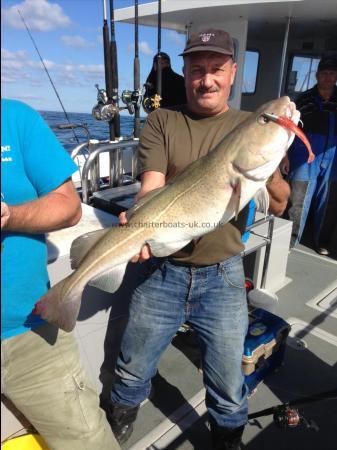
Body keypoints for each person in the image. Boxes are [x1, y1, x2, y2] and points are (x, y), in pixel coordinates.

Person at [107, 29, 290, 450]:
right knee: (133, 366)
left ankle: (227, 437)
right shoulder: (162, 121)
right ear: (185, 73)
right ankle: (119, 420)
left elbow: (278, 205)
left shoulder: (252, 125)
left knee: (228, 378)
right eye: (196, 69)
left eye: (216, 69)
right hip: (161, 272)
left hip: (223, 277)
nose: (206, 79)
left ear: (232, 73)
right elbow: (151, 187)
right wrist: (138, 220)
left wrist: (272, 160)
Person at [1, 99, 120, 450]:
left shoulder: (15, 119)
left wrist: (8, 216)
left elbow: (68, 205)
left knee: (88, 441)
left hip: (28, 330)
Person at [281, 56, 337, 255]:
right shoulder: (303, 99)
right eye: (324, 73)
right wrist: (285, 155)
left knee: (328, 201)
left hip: (333, 156)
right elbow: (288, 128)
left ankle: (321, 242)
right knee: (297, 200)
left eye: (331, 73)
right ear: (317, 75)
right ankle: (290, 241)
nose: (328, 77)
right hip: (303, 155)